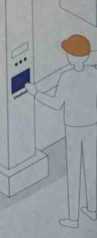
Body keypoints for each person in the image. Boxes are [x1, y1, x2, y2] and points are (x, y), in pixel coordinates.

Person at [27, 34, 97, 228]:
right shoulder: (93, 73)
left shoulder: (66, 77)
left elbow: (57, 104)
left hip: (74, 129)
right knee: (91, 168)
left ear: (73, 56)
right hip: (92, 126)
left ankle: (73, 219)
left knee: (74, 172)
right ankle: (92, 210)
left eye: (68, 52)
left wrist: (36, 94)